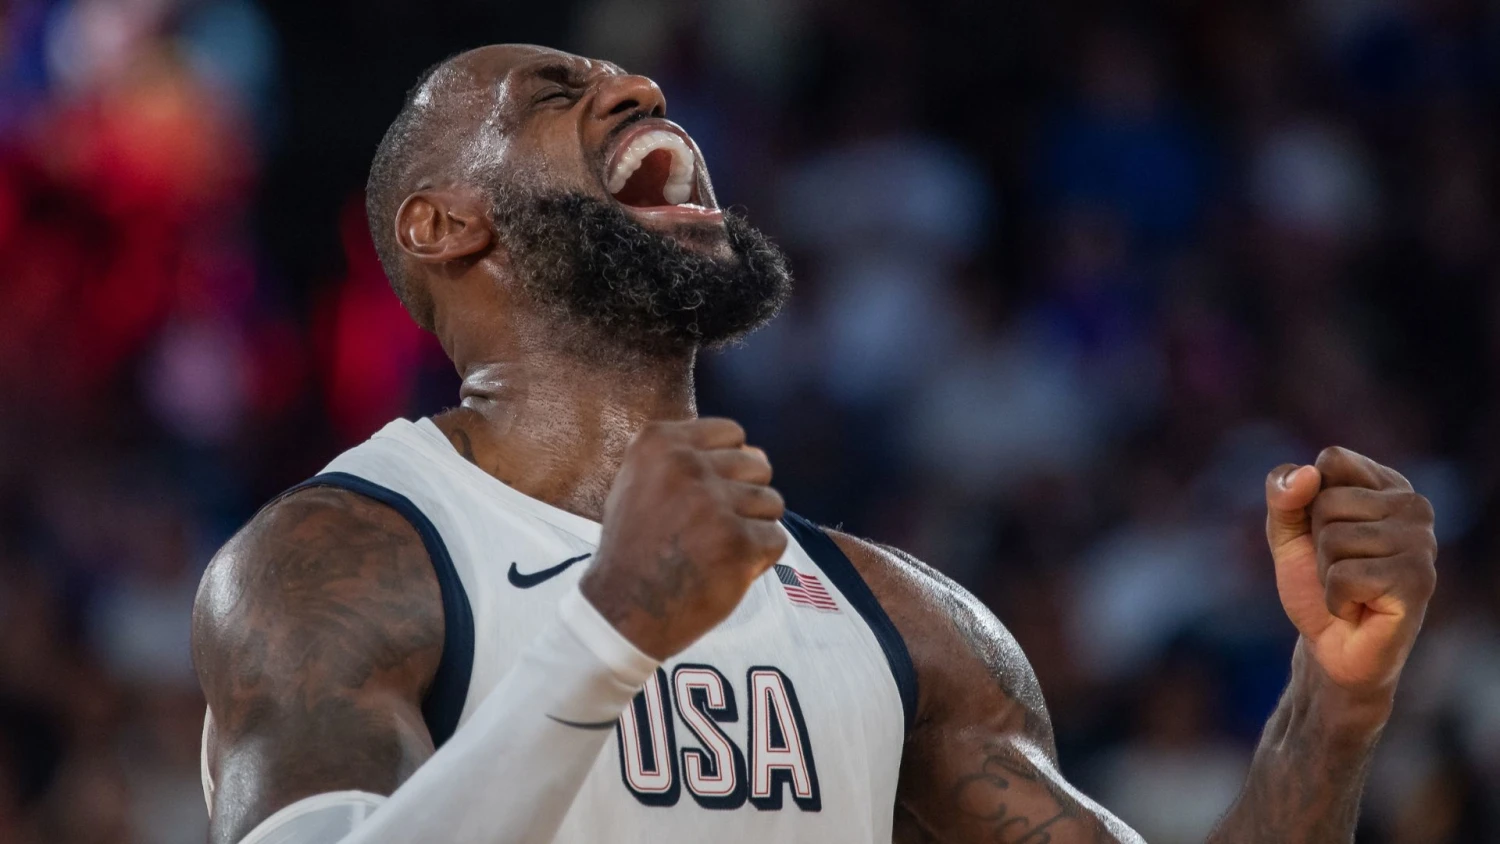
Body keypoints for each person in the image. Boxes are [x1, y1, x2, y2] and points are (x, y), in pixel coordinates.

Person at [191, 44, 1439, 844]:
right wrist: (609, 638)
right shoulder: (337, 560)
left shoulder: (897, 617)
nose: (640, 91)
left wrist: (1334, 702)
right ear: (442, 225)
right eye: (555, 96)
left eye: (635, 86)